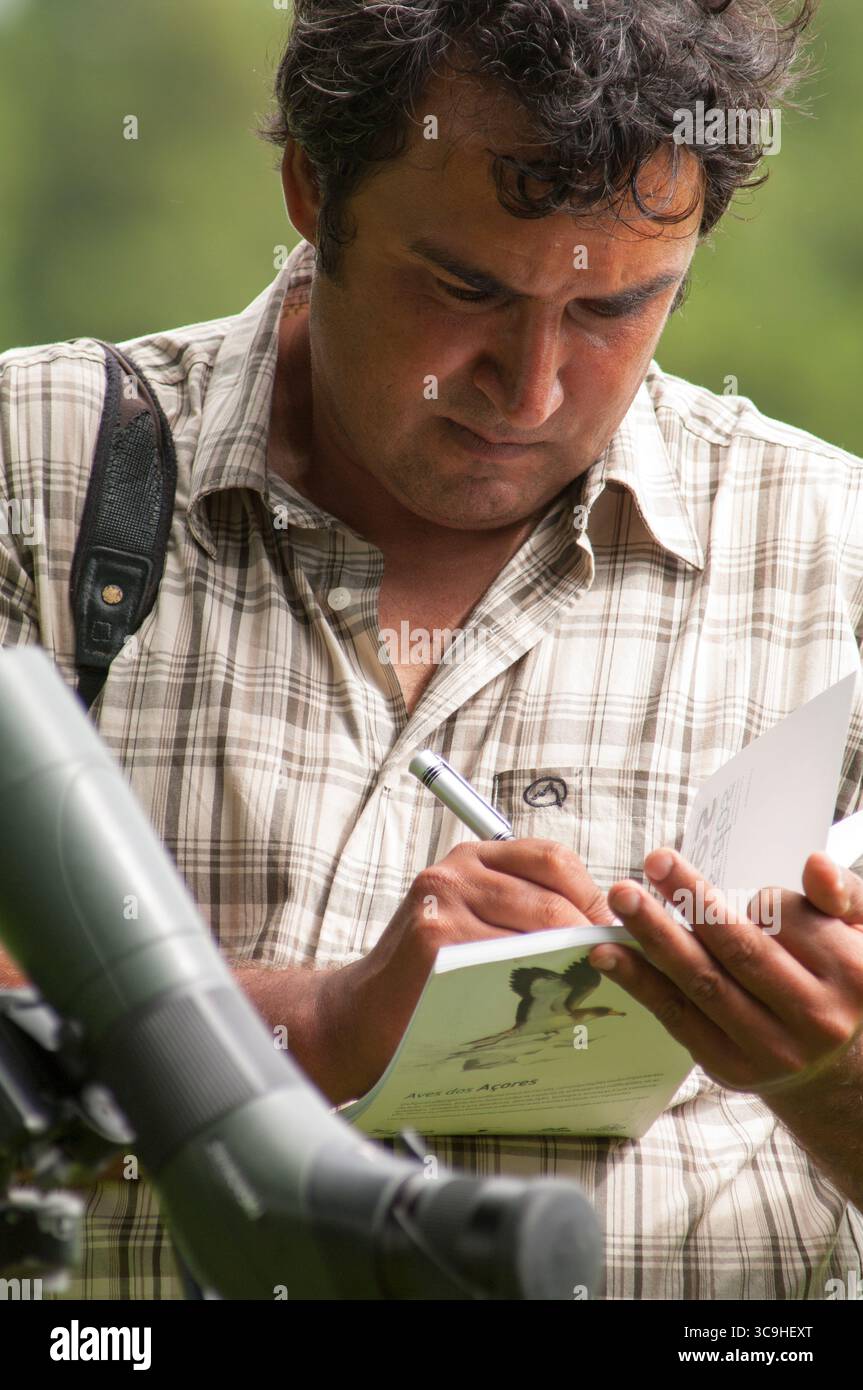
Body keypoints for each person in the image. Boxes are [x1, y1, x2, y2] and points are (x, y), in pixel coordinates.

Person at [1, 0, 861, 1301]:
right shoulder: (35, 475)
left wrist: (829, 1073)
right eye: (466, 288)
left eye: (616, 307)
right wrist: (328, 1023)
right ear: (311, 184)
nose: (529, 389)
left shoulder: (834, 557)